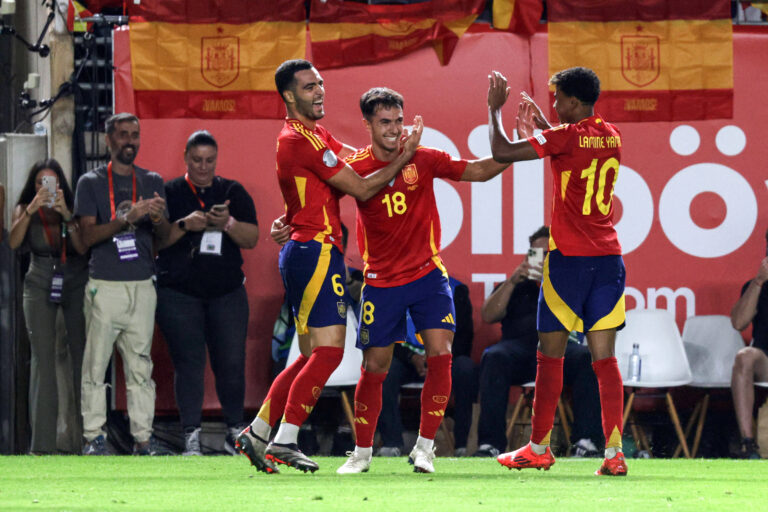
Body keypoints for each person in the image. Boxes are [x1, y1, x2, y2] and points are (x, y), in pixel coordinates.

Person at [235, 59, 422, 474]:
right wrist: (404, 155)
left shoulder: (314, 134)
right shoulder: (297, 139)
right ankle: (284, 439)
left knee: (308, 357)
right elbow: (361, 185)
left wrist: (387, 144)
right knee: (329, 352)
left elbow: (351, 161)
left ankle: (258, 433)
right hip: (315, 252)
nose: (319, 91)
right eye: (307, 87)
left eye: (319, 84)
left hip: (310, 248)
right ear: (288, 95)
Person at [336, 87, 512, 474]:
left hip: (428, 275)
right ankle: (362, 452)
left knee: (441, 353)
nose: (395, 129)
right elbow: (322, 200)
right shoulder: (355, 168)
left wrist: (515, 147)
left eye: (399, 120)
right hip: (381, 282)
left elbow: (478, 171)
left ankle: (425, 448)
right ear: (367, 124)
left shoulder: (425, 157)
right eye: (385, 122)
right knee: (376, 367)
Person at [487, 67, 628, 476]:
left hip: (569, 261)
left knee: (550, 356)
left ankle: (538, 448)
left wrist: (494, 112)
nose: (553, 104)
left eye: (558, 99)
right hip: (609, 261)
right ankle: (614, 454)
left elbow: (502, 152)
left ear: (573, 102)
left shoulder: (564, 137)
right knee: (605, 361)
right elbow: (575, 148)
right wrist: (548, 126)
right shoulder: (612, 135)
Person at [154, 130, 259, 456]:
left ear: (216, 159)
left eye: (209, 160)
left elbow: (252, 238)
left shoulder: (232, 191)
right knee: (188, 364)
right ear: (185, 157)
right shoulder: (169, 191)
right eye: (196, 160)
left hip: (226, 292)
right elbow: (156, 243)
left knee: (231, 362)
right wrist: (185, 225)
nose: (202, 166)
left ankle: (233, 431)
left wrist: (226, 224)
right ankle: (191, 436)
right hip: (179, 293)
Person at [74, 112, 171, 455]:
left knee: (141, 366)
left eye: (135, 135)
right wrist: (125, 218)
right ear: (108, 141)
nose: (130, 141)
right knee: (95, 365)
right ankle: (94, 437)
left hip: (143, 285)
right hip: (105, 285)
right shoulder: (91, 182)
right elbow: (86, 237)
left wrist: (157, 217)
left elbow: (164, 234)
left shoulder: (152, 180)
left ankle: (143, 439)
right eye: (123, 135)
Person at [474, 226, 603, 458]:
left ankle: (586, 441)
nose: (541, 260)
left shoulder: (571, 284)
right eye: (536, 254)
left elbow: (585, 317)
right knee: (493, 356)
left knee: (585, 357)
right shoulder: (514, 285)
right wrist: (513, 281)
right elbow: (488, 315)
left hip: (560, 348)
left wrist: (554, 282)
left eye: (547, 255)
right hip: (518, 350)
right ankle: (490, 444)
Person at [9, 159, 89, 453]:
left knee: (81, 358)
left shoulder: (72, 208)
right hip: (40, 279)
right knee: (43, 363)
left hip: (75, 278)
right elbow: (14, 242)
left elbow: (82, 247)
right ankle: (42, 446)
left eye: (52, 183)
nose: (47, 189)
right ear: (34, 187)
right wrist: (31, 209)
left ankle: (86, 440)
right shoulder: (24, 209)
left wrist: (67, 213)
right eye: (41, 183)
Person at [375, 278, 477, 458]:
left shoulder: (455, 290)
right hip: (407, 359)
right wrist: (411, 357)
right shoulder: (393, 287)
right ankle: (392, 443)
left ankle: (461, 445)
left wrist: (438, 357)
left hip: (444, 358)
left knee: (465, 367)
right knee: (385, 368)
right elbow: (386, 333)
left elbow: (464, 338)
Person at [729, 229, 768, 459]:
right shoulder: (756, 287)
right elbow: (738, 323)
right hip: (766, 359)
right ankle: (748, 443)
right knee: (745, 356)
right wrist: (759, 281)